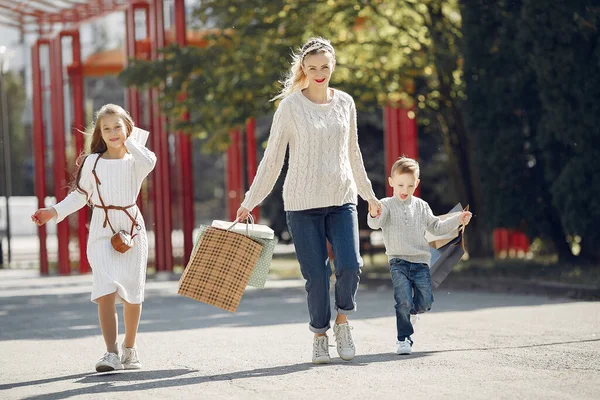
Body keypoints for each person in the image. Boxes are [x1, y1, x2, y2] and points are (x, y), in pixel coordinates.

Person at [236, 37, 381, 364]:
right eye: (312, 67)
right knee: (316, 275)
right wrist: (251, 199)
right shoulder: (290, 107)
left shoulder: (345, 102)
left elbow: (353, 153)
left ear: (333, 67)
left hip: (341, 198)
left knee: (350, 265)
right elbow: (272, 159)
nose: (319, 73)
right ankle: (319, 335)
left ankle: (342, 322)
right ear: (303, 68)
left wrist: (368, 195)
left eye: (325, 67)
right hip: (301, 205)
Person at [31, 104, 156, 372]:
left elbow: (150, 161)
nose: (112, 133)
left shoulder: (137, 160)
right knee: (105, 287)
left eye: (117, 127)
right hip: (101, 229)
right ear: (99, 132)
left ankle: (130, 349)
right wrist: (53, 211)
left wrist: (130, 141)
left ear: (128, 129)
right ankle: (110, 353)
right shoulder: (92, 162)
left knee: (133, 292)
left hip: (132, 228)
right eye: (106, 128)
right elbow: (80, 196)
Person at [367, 156, 472, 355]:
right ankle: (404, 339)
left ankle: (414, 312)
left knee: (426, 302)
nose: (404, 190)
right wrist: (373, 213)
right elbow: (375, 223)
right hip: (397, 261)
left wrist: (458, 219)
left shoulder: (422, 206)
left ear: (417, 183)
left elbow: (437, 227)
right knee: (403, 300)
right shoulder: (386, 205)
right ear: (391, 182)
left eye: (409, 185)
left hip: (421, 262)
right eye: (400, 185)